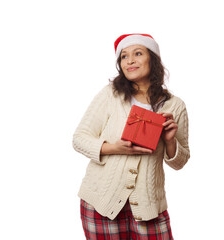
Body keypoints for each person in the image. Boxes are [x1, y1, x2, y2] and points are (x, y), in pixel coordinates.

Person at [72, 33, 190, 240]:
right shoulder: (111, 94)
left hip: (149, 206)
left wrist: (170, 140)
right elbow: (79, 138)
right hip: (101, 202)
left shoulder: (175, 105)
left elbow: (180, 162)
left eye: (138, 53)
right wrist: (115, 148)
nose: (130, 61)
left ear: (152, 60)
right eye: (124, 57)